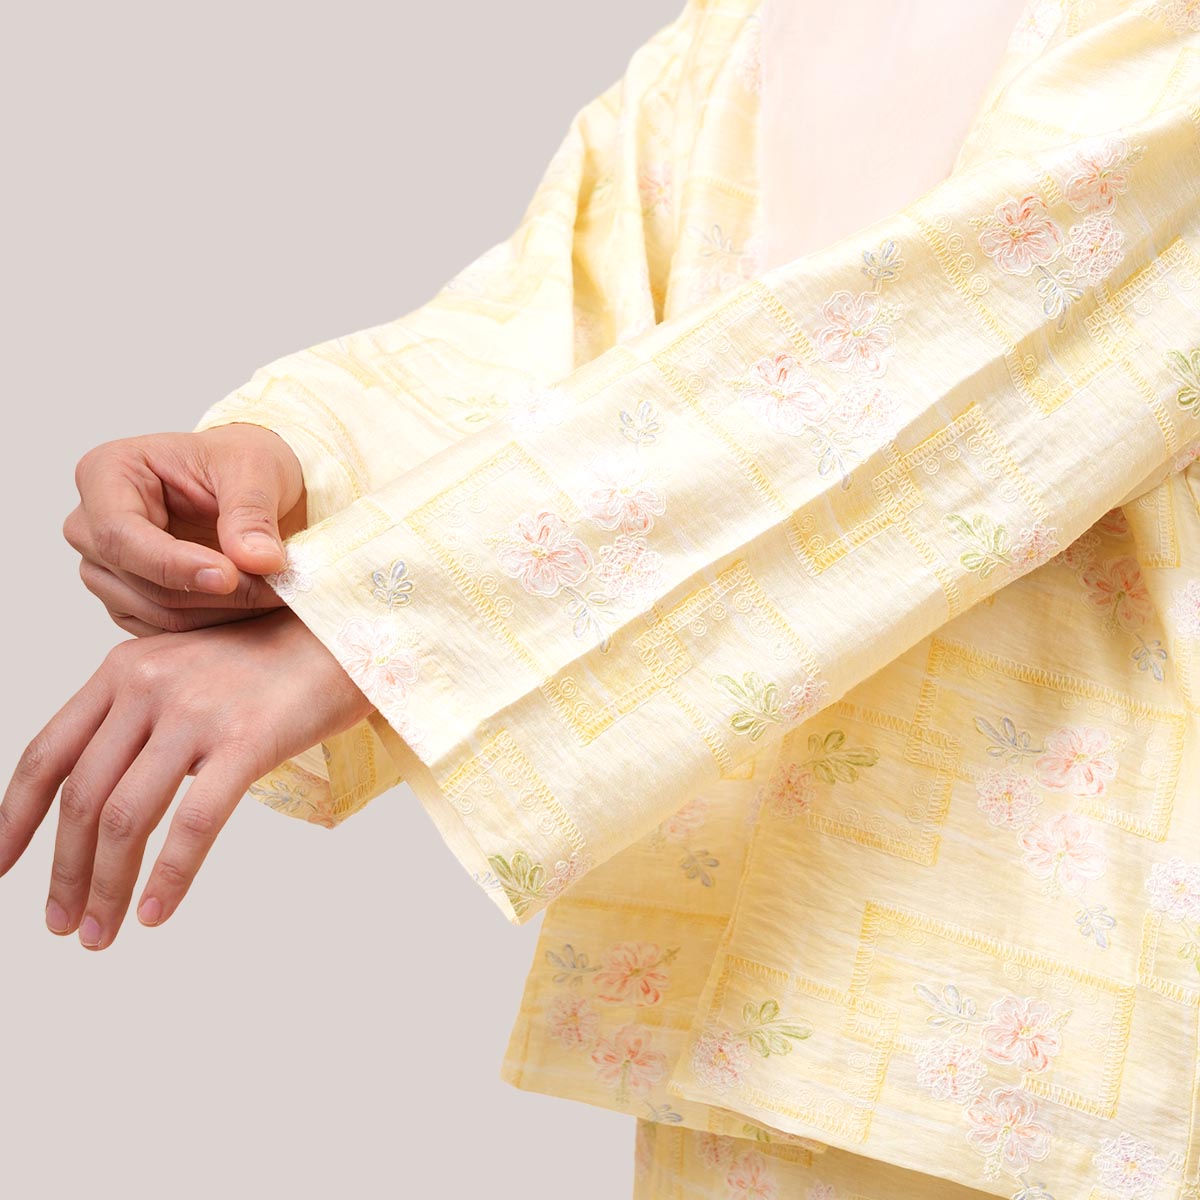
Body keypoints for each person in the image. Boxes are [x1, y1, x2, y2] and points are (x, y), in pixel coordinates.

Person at [4, 0, 1200, 1195]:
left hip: (1072, 965)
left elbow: (928, 357)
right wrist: (289, 475)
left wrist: (373, 623)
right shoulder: (743, 29)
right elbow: (557, 319)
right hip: (787, 954)